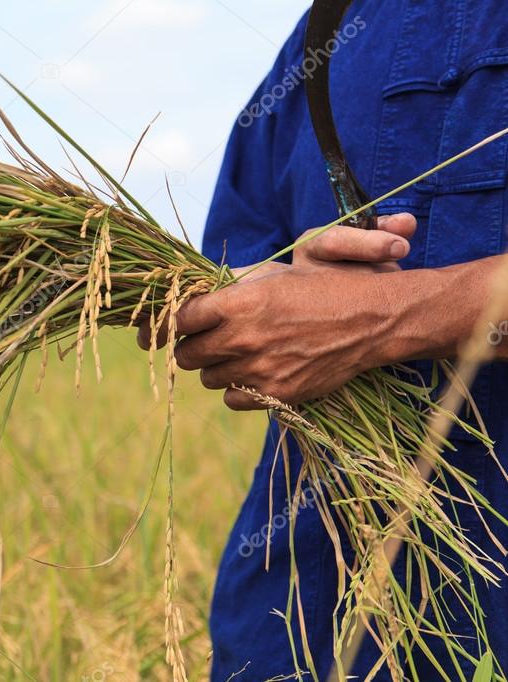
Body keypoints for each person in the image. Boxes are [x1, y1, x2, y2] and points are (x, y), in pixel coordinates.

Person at [138, 2, 508, 679]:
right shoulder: (330, 26)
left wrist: (381, 316)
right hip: (303, 608)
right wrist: (265, 300)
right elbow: (237, 267)